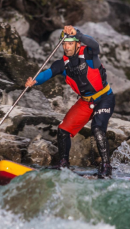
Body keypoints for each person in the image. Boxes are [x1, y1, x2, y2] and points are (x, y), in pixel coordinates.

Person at [25, 25, 115, 178]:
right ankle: (63, 164)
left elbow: (95, 44)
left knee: (97, 128)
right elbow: (47, 74)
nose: (66, 47)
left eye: (70, 43)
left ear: (77, 44)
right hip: (86, 102)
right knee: (63, 130)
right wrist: (34, 81)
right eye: (64, 44)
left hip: (104, 97)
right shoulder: (62, 64)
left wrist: (77, 34)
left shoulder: (88, 54)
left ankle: (106, 166)